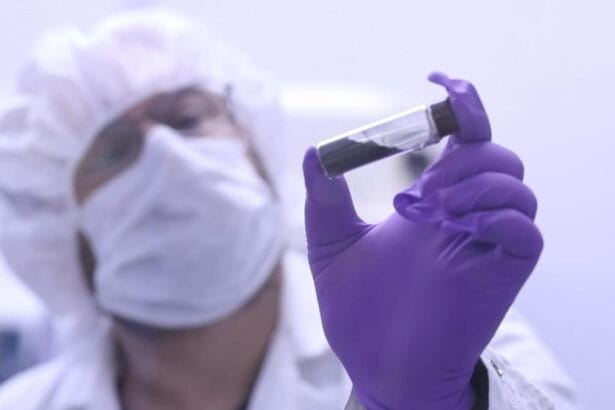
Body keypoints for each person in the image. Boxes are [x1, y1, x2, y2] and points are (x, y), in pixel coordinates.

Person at [0, 8, 577, 409]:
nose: (164, 154)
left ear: (255, 154)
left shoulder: (451, 335)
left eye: (186, 118)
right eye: (116, 152)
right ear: (63, 240)